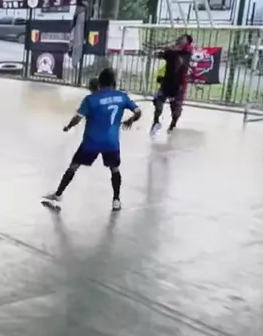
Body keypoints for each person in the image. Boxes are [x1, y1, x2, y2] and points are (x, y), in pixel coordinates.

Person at [42, 68, 142, 212]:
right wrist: (131, 120)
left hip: (91, 142)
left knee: (74, 166)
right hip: (111, 142)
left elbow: (78, 118)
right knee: (114, 169)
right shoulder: (122, 97)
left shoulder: (91, 99)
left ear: (99, 82)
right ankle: (116, 200)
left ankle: (58, 195)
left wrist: (68, 127)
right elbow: (138, 112)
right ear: (113, 82)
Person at [151, 34, 193, 134]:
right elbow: (163, 55)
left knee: (175, 109)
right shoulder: (172, 51)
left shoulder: (186, 53)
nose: (181, 39)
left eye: (183, 39)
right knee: (158, 103)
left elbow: (180, 60)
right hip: (166, 82)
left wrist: (173, 49)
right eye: (181, 38)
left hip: (178, 85)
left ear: (187, 42)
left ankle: (172, 125)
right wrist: (166, 50)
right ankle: (156, 122)